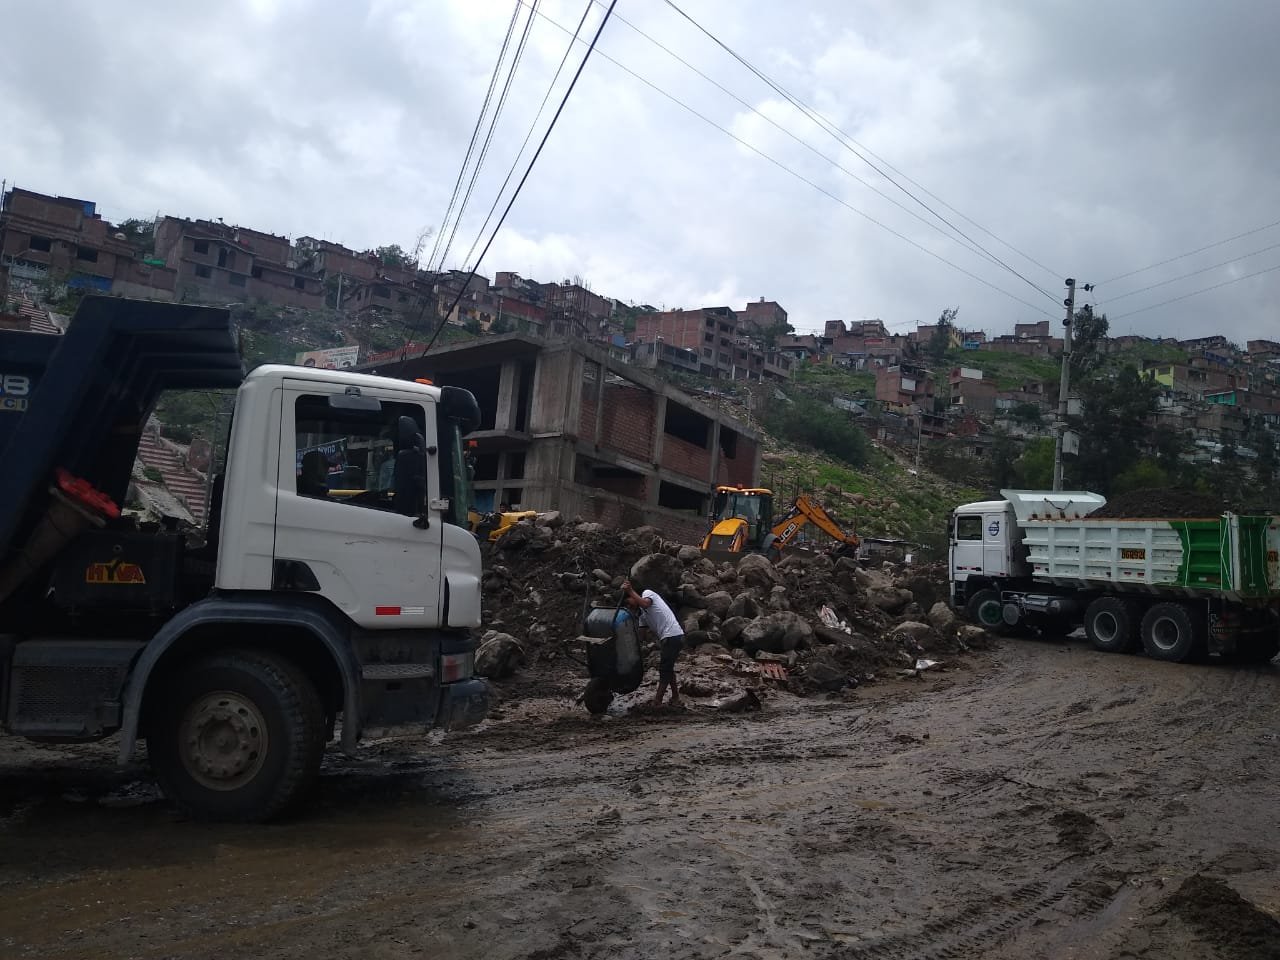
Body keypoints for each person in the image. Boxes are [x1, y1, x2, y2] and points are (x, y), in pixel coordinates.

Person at [622, 580, 684, 709]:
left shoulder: (648, 593)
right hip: (668, 637)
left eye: (628, 603)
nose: (629, 607)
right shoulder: (642, 616)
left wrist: (630, 591)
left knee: (664, 669)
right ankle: (675, 697)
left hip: (673, 635)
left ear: (633, 596)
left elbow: (645, 603)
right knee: (668, 668)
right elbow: (641, 636)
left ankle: (658, 700)